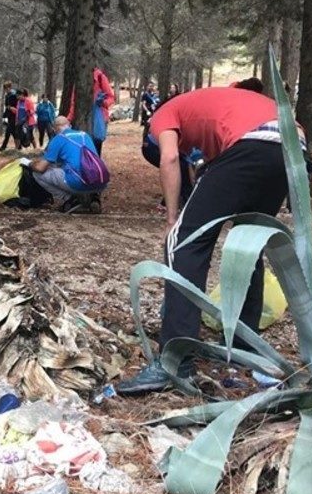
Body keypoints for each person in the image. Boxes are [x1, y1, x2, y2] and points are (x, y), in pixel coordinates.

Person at [116, 87, 301, 394]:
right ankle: (244, 348)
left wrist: (172, 218)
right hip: (291, 145)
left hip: (252, 142)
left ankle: (175, 361)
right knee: (248, 244)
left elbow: (171, 157)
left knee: (183, 243)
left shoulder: (164, 114)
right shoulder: (213, 109)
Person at [29, 115, 105, 213]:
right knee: (73, 169)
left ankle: (70, 200)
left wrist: (30, 164)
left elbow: (41, 168)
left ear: (54, 129)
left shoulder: (58, 139)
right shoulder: (84, 135)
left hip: (78, 182)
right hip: (100, 181)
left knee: (38, 174)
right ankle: (94, 197)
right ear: (70, 125)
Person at [0, 81, 19, 151]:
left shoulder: (14, 95)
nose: (6, 90)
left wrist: (11, 108)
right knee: (13, 132)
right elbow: (7, 105)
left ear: (9, 87)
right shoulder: (7, 95)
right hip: (9, 115)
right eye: (5, 89)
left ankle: (3, 147)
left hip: (14, 115)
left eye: (6, 88)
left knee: (8, 132)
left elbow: (16, 105)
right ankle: (19, 146)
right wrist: (6, 112)